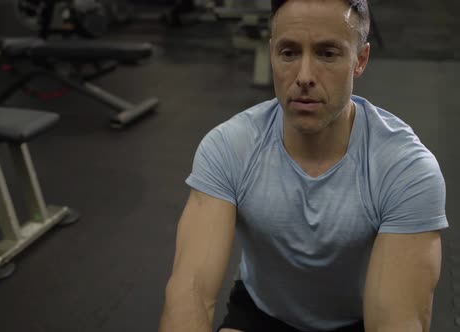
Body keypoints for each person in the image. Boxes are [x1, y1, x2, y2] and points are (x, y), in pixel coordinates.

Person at [158, 0, 448, 331]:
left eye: (327, 53)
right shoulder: (229, 146)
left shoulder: (405, 169)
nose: (304, 76)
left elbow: (397, 321)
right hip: (262, 314)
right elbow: (190, 292)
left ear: (360, 60)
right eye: (289, 53)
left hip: (359, 319)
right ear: (272, 54)